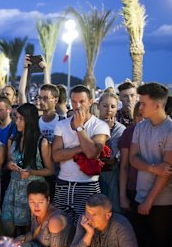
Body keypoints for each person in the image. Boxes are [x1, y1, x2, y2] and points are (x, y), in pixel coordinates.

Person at [129, 82, 172, 247]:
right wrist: (152, 167)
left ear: (158, 105)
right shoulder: (140, 127)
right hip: (141, 197)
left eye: (143, 103)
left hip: (165, 202)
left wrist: (149, 200)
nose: (140, 107)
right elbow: (132, 158)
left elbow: (167, 174)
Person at [52, 85, 110, 225]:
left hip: (88, 185)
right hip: (63, 184)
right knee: (59, 227)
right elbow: (56, 156)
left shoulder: (99, 126)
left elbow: (91, 153)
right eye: (73, 101)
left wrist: (79, 127)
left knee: (86, 227)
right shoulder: (61, 125)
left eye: (81, 101)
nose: (77, 106)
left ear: (90, 102)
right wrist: (80, 148)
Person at [2, 104, 54, 236]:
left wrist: (31, 172)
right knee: (8, 226)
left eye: (21, 118)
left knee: (28, 230)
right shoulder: (13, 140)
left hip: (32, 191)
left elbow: (50, 170)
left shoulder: (42, 142)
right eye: (16, 118)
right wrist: (10, 166)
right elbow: (8, 162)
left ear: (30, 120)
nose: (17, 121)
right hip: (13, 188)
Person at [15, 181, 72, 247]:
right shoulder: (36, 212)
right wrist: (20, 239)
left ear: (48, 200)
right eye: (32, 202)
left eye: (40, 202)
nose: (36, 206)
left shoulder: (55, 220)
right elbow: (34, 233)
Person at [97, 92, 126, 212]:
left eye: (113, 107)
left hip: (113, 178)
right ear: (98, 106)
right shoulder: (91, 126)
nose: (109, 110)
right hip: (93, 179)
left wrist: (106, 133)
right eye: (105, 106)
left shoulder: (121, 130)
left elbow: (110, 159)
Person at [118, 102, 142, 214]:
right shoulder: (129, 132)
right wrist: (122, 196)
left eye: (144, 115)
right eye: (138, 115)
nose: (142, 119)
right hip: (132, 188)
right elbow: (124, 166)